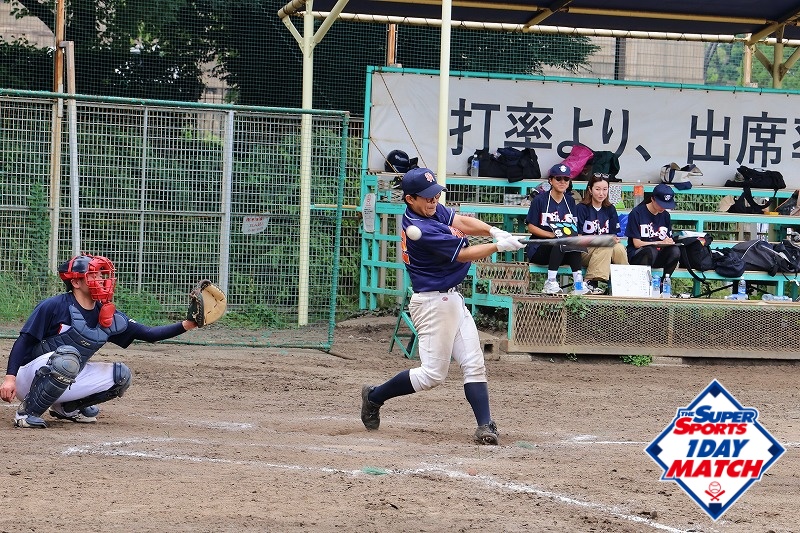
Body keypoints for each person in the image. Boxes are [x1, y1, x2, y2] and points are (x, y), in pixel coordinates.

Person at [360, 167, 525, 445]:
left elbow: (460, 221)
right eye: (427, 197)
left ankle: (485, 426)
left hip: (452, 299)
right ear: (410, 199)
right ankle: (374, 397)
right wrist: (498, 247)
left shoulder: (429, 211)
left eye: (435, 195)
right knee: (432, 375)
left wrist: (493, 230)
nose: (434, 201)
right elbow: (463, 255)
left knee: (474, 364)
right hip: (433, 304)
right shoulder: (420, 230)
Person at [0, 254, 199, 428]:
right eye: (93, 275)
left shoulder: (105, 312)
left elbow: (149, 334)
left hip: (65, 373)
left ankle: (66, 408)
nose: (101, 279)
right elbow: (25, 341)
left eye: (101, 275)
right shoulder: (54, 306)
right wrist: (10, 378)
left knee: (121, 376)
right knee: (67, 359)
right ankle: (26, 414)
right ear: (76, 282)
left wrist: (189, 324)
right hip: (29, 377)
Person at [525, 163, 587, 294]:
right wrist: (552, 235)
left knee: (573, 243)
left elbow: (574, 228)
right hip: (539, 248)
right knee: (561, 241)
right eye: (558, 178)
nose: (562, 182)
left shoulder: (570, 201)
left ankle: (578, 285)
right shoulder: (539, 200)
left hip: (563, 251)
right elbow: (531, 227)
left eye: (566, 179)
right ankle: (550, 282)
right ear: (550, 180)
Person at [575, 174, 629, 294]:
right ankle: (588, 281)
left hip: (604, 252)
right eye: (597, 189)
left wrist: (613, 239)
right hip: (583, 251)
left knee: (619, 248)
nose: (601, 193)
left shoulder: (610, 209)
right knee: (605, 245)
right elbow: (577, 238)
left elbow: (613, 235)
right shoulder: (581, 208)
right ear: (590, 190)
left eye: (605, 189)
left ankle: (624, 282)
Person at [625, 183, 681, 286]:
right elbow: (637, 243)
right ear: (652, 199)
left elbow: (668, 237)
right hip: (639, 255)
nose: (663, 208)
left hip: (658, 255)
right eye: (660, 204)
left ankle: (664, 283)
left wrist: (669, 242)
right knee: (651, 250)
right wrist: (658, 243)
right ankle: (644, 284)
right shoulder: (637, 213)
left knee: (675, 250)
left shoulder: (665, 215)